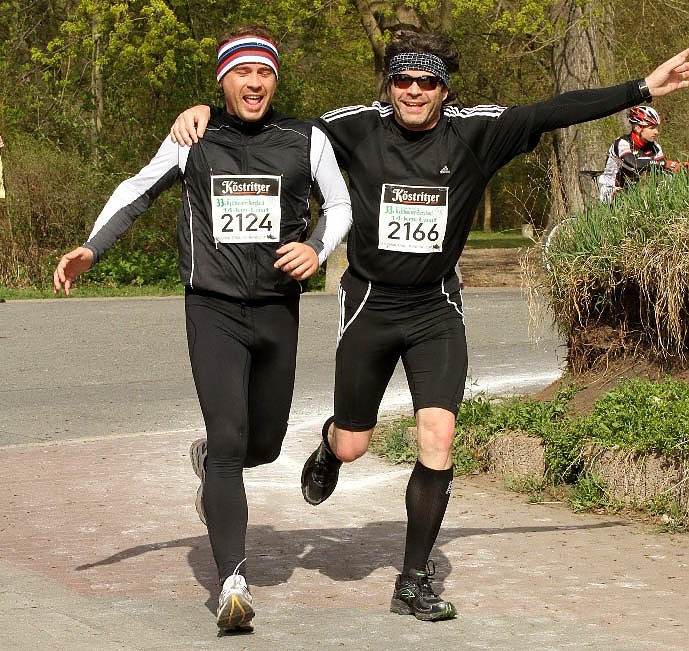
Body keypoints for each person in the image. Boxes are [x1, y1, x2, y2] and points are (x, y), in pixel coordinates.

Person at [171, 34, 689, 622]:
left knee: (438, 437)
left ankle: (413, 581)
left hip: (435, 307)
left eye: (427, 81)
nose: (414, 91)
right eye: (403, 80)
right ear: (389, 86)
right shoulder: (356, 126)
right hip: (370, 304)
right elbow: (268, 123)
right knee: (355, 443)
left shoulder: (475, 133)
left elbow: (551, 111)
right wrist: (207, 111)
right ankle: (331, 448)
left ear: (445, 88)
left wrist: (641, 89)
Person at [53, 27, 352, 633]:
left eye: (264, 73)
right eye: (242, 72)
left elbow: (341, 204)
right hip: (213, 310)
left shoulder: (306, 138)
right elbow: (137, 189)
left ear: (275, 79)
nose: (254, 83)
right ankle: (233, 584)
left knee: (262, 445)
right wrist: (92, 247)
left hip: (277, 310)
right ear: (223, 80)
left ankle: (210, 460)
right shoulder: (194, 136)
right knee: (229, 436)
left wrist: (317, 248)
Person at [598, 105, 689, 202]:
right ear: (637, 128)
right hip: (610, 189)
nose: (656, 132)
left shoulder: (654, 146)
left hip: (631, 192)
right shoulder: (622, 142)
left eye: (656, 127)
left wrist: (679, 168)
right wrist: (664, 164)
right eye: (652, 128)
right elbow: (634, 163)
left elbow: (661, 167)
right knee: (619, 196)